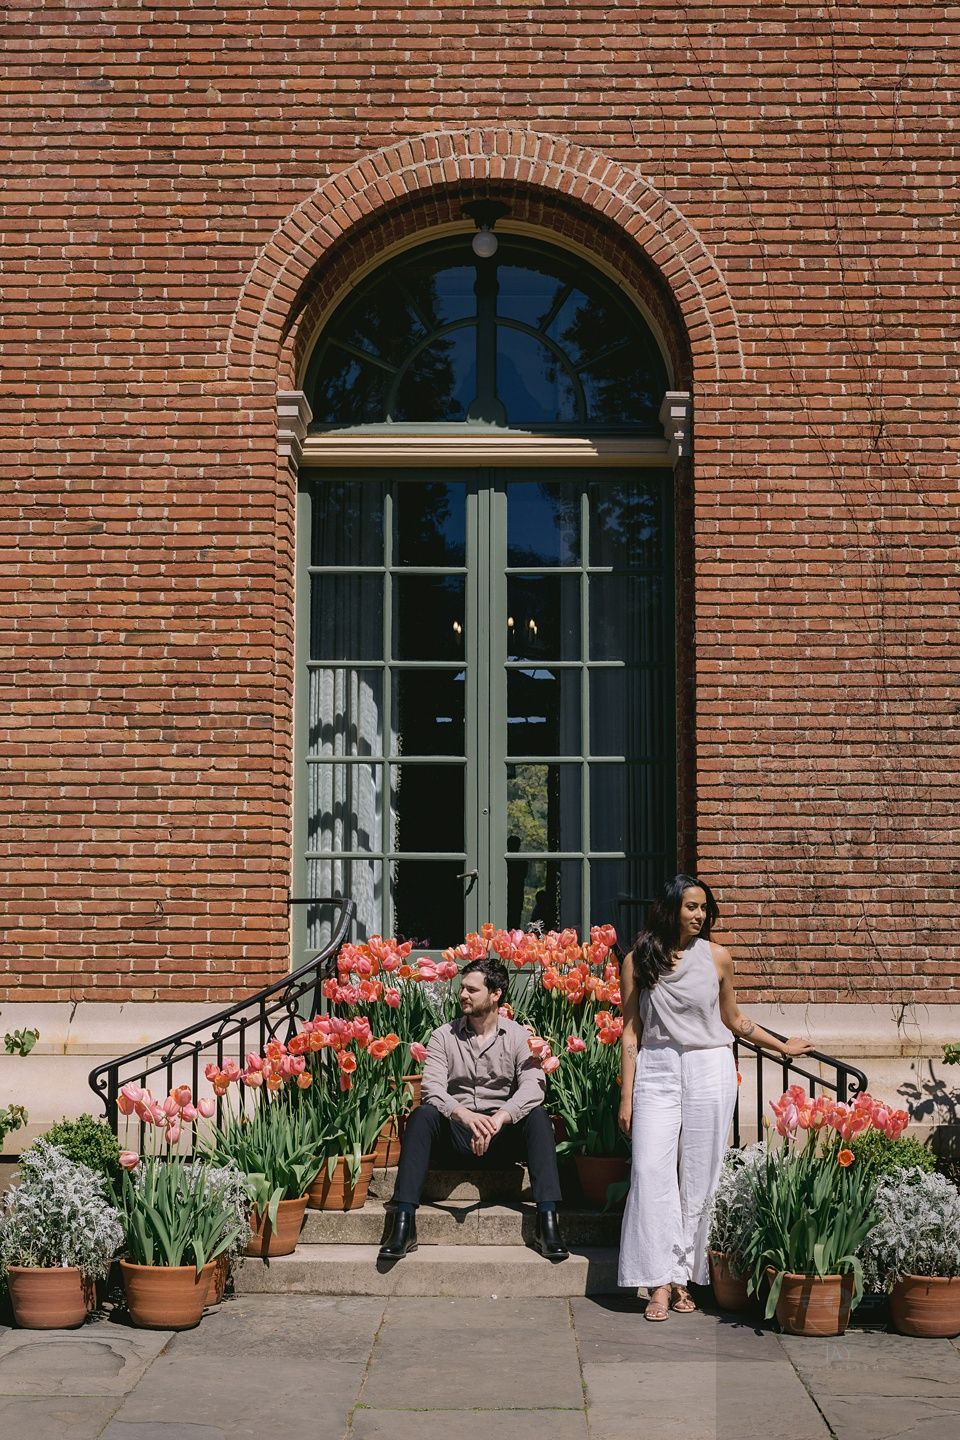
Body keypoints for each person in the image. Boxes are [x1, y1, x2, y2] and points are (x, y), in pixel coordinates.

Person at [617, 874, 815, 1320]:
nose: (700, 915)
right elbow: (631, 1031)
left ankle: (681, 1279)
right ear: (670, 908)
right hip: (657, 1066)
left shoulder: (717, 957)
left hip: (709, 1066)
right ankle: (656, 1281)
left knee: (700, 1174)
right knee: (649, 1171)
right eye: (691, 906)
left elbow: (733, 1018)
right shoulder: (638, 960)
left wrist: (782, 1046)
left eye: (704, 908)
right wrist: (626, 1095)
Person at [378, 956, 569, 1263]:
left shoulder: (519, 1037)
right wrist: (464, 1115)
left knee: (537, 1117)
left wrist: (500, 1118)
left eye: (472, 989)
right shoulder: (443, 1036)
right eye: (462, 988)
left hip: (501, 1137)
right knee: (422, 1115)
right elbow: (432, 1089)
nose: (463, 995)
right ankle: (403, 1224)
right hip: (457, 1135)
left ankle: (547, 1223)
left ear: (496, 994)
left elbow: (534, 1087)